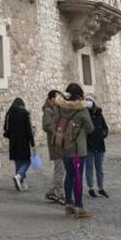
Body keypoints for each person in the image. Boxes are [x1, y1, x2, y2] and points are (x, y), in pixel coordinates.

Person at [50, 83, 94, 218]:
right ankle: (79, 207)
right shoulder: (81, 109)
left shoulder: (59, 107)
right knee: (77, 177)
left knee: (69, 175)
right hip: (77, 150)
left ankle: (69, 205)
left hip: (64, 147)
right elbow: (90, 128)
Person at [4, 97, 35, 191]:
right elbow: (28, 129)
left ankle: (21, 182)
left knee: (18, 161)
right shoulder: (24, 113)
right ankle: (19, 176)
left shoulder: (9, 113)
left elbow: (5, 128)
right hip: (23, 140)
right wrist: (32, 143)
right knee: (27, 161)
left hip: (13, 141)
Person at [42, 90, 66, 204]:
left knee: (59, 169)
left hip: (60, 142)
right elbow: (46, 126)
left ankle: (52, 191)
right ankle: (59, 193)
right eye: (56, 97)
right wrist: (58, 131)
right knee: (60, 169)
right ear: (51, 98)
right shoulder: (48, 110)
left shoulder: (56, 108)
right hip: (55, 143)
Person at [85, 95, 109, 198]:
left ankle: (101, 188)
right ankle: (90, 188)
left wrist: (102, 134)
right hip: (88, 145)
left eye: (90, 100)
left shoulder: (99, 113)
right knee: (89, 167)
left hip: (99, 144)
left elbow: (105, 127)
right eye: (86, 100)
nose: (88, 102)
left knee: (99, 167)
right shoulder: (84, 113)